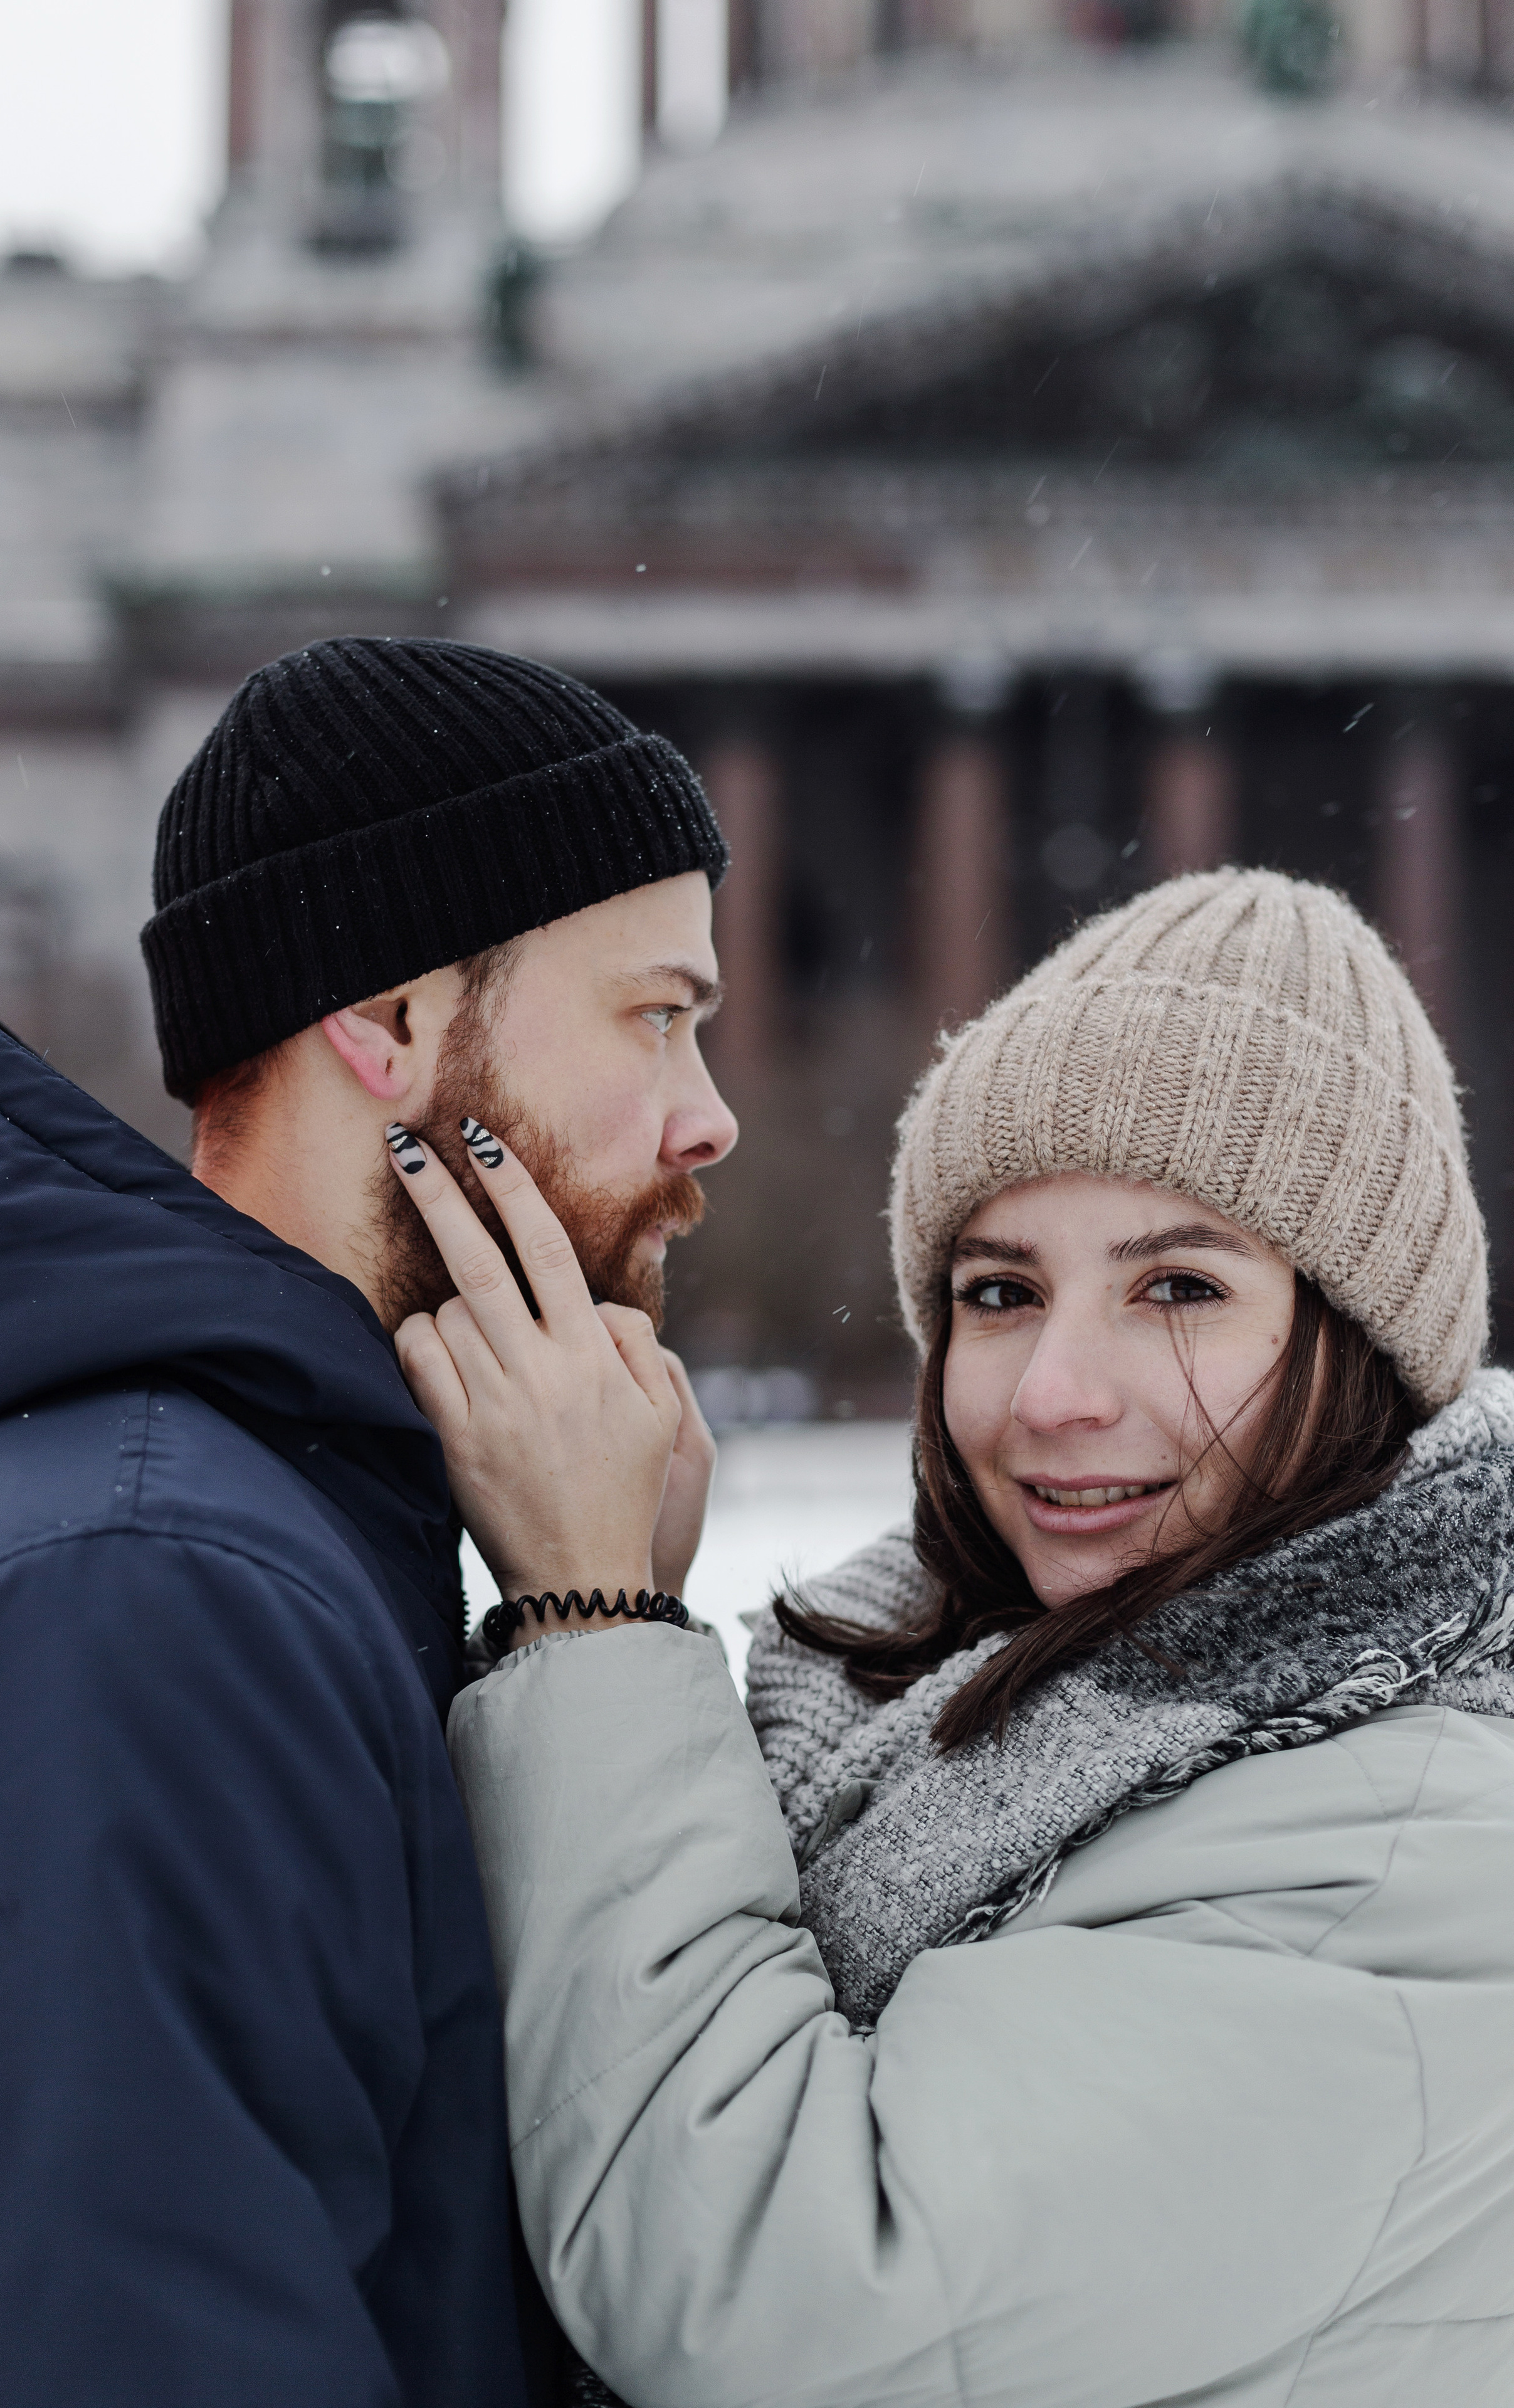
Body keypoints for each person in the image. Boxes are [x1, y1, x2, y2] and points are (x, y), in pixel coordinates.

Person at [394, 866, 1514, 2408]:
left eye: (1176, 1288)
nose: (1051, 1391)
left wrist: (593, 1623)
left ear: (1364, 1341)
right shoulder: (942, 1684)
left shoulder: (1399, 1850)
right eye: (999, 1292)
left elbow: (767, 2293)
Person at [0, 636, 735, 2407]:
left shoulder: (265, 1518)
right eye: (655, 1015)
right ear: (390, 1021)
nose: (713, 1117)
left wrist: (587, 1633)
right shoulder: (149, 1592)